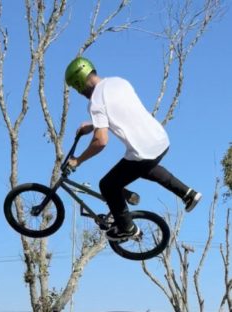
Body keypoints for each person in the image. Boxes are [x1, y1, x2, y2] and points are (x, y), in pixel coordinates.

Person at [64, 57, 202, 241]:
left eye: (76, 87)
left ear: (79, 81)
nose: (79, 92)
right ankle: (188, 194)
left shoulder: (95, 102)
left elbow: (101, 141)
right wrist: (92, 125)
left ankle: (127, 227)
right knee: (147, 168)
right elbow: (120, 110)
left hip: (141, 152)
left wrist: (78, 160)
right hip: (160, 141)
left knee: (108, 185)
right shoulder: (118, 82)